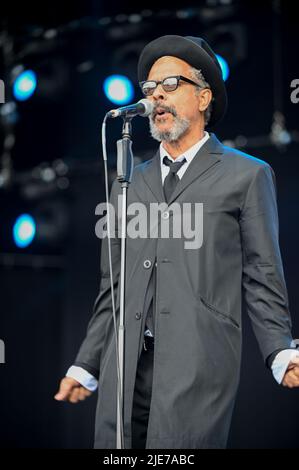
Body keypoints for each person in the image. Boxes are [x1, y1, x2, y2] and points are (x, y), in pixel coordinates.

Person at [55, 35, 299, 449]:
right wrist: (86, 364)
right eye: (149, 89)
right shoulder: (127, 182)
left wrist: (280, 350)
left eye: (170, 85)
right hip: (125, 363)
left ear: (204, 98)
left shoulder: (246, 175)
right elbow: (111, 285)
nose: (156, 97)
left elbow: (262, 271)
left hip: (197, 359)